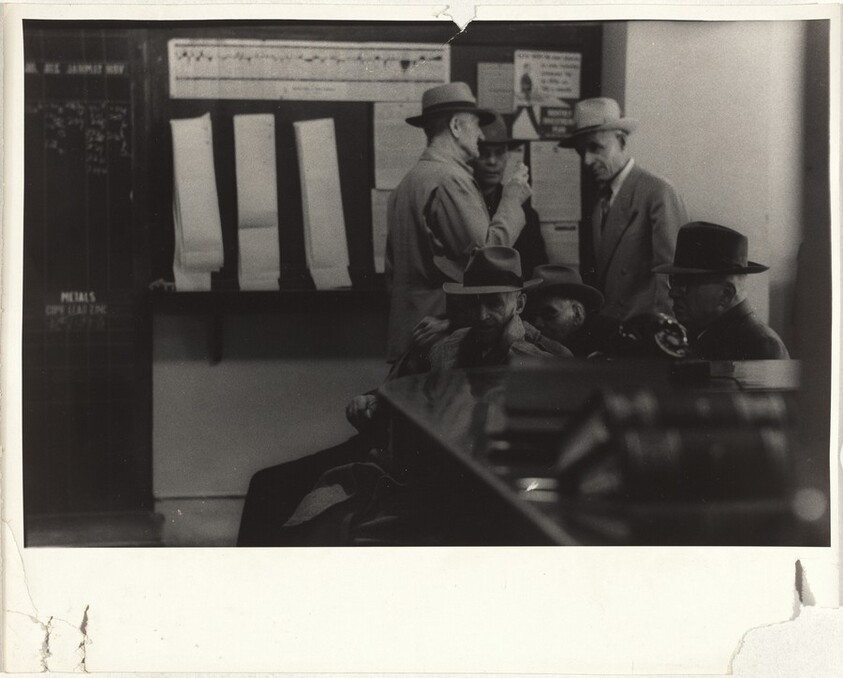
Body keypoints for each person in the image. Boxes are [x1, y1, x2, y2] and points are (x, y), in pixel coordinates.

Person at [385, 82, 532, 361]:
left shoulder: (408, 182)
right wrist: (511, 199)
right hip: (440, 340)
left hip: (410, 336)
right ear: (455, 126)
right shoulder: (450, 180)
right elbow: (487, 258)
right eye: (475, 125)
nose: (479, 133)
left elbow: (393, 277)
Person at [558, 97, 687, 321]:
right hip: (612, 335)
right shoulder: (599, 201)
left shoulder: (657, 192)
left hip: (646, 337)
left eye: (596, 148)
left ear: (622, 141)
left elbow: (671, 278)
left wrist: (665, 336)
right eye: (581, 151)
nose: (587, 160)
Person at [653, 221, 789, 360]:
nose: (673, 293)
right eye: (674, 281)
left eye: (685, 283)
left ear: (726, 294)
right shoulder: (701, 334)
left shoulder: (760, 346)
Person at [473, 113, 547, 276]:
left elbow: (537, 270)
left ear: (507, 155)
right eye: (484, 153)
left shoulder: (526, 214)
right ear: (471, 157)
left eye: (499, 153)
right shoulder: (462, 204)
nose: (492, 161)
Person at [525, 264, 620, 357]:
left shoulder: (610, 339)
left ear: (577, 314)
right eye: (533, 315)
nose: (537, 323)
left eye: (548, 314)